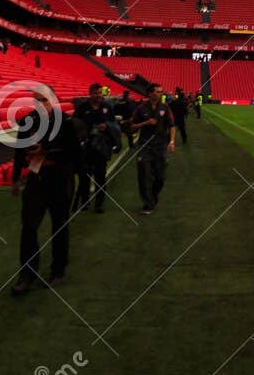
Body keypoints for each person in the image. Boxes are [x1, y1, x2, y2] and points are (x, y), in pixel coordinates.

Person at [11, 106, 80, 296]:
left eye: (45, 99)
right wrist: (16, 178)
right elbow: (19, 150)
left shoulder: (66, 122)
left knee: (59, 227)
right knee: (29, 227)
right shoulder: (28, 121)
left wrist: (48, 155)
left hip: (60, 180)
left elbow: (74, 154)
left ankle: (58, 270)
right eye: (37, 99)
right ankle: (27, 274)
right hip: (36, 179)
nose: (41, 103)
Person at [73, 83, 119, 214]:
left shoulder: (107, 107)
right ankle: (85, 202)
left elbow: (113, 124)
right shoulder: (82, 107)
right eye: (95, 93)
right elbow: (75, 124)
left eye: (99, 93)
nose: (98, 96)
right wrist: (85, 130)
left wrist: (106, 126)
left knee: (100, 177)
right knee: (84, 176)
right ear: (90, 93)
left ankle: (99, 204)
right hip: (86, 147)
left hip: (101, 147)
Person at [128, 86, 175, 215]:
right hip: (145, 146)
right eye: (158, 91)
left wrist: (171, 141)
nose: (160, 93)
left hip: (160, 147)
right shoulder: (141, 108)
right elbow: (132, 127)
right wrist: (145, 123)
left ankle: (154, 196)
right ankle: (147, 205)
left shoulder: (165, 107)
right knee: (144, 176)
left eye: (161, 92)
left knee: (160, 177)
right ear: (150, 93)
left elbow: (171, 125)